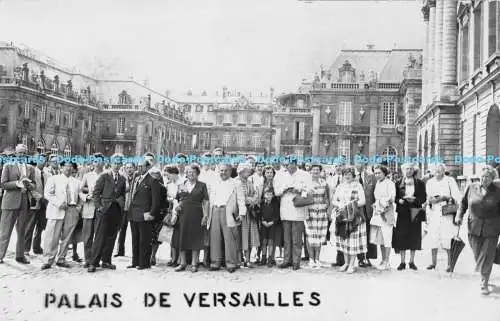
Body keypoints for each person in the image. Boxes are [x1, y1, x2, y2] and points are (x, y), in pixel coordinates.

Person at [456, 165, 500, 295]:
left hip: (492, 228)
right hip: (473, 227)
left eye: (487, 177)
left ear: (493, 178)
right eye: (482, 176)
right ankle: (484, 274)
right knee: (478, 255)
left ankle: (484, 282)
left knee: (487, 255)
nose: (484, 179)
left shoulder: (498, 190)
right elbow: (463, 204)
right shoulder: (471, 187)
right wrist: (459, 216)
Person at [88, 153, 126, 272]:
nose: (117, 165)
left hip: (115, 210)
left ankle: (106, 261)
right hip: (104, 210)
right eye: (115, 162)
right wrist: (99, 207)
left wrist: (120, 203)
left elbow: (122, 194)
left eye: (119, 162)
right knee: (100, 236)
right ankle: (93, 263)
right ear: (111, 162)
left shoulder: (122, 178)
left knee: (111, 237)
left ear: (121, 164)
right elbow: (96, 193)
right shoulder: (104, 175)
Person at [40, 161, 82, 269]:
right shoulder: (54, 179)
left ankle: (61, 259)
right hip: (56, 210)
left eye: (70, 166)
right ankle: (48, 260)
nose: (68, 168)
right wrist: (59, 203)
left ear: (73, 169)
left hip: (72, 210)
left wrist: (78, 208)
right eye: (66, 166)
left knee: (67, 237)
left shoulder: (77, 182)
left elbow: (80, 196)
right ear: (61, 167)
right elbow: (48, 194)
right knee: (52, 236)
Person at [274, 158, 313, 270]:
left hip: (298, 208)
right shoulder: (281, 175)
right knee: (287, 238)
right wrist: (285, 189)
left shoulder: (304, 175)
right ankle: (287, 260)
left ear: (296, 164)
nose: (288, 167)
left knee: (296, 238)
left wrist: (299, 190)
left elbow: (310, 190)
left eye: (291, 164)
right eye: (286, 164)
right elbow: (277, 191)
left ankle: (296, 261)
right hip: (286, 208)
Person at [207, 163, 246, 273]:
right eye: (221, 170)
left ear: (230, 171)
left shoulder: (236, 183)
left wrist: (242, 213)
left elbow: (241, 200)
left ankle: (231, 263)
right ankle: (215, 262)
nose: (223, 173)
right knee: (215, 238)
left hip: (228, 212)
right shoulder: (214, 182)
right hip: (215, 211)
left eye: (225, 170)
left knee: (229, 239)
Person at [0, 144, 35, 264]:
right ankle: (0, 255)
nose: (22, 155)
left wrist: (28, 185)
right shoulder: (8, 165)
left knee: (22, 231)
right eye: (20, 152)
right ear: (15, 153)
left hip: (24, 203)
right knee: (5, 231)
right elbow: (3, 184)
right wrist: (17, 184)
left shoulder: (30, 168)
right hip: (10, 203)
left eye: (24, 153)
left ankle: (20, 256)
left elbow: (34, 184)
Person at [423, 163, 462, 272]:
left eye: (440, 170)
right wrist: (430, 201)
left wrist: (444, 197)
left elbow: (457, 196)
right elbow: (428, 197)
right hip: (434, 212)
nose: (437, 172)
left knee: (447, 238)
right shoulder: (430, 182)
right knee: (433, 237)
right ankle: (433, 262)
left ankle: (449, 264)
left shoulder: (450, 180)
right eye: (435, 171)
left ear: (444, 170)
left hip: (446, 212)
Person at [173, 164, 209, 273]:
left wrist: (206, 215)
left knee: (195, 239)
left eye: (193, 172)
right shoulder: (181, 185)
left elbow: (206, 201)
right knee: (182, 238)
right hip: (183, 215)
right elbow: (176, 199)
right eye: (188, 172)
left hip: (197, 215)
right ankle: (182, 263)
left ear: (197, 173)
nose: (190, 174)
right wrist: (176, 207)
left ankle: (194, 263)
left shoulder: (202, 185)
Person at [128, 159, 162, 270]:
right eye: (138, 166)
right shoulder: (136, 178)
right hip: (134, 214)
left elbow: (156, 200)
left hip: (145, 214)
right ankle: (135, 262)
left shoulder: (152, 180)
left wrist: (152, 213)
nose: (140, 168)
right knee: (135, 239)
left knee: (144, 240)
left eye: (142, 166)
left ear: (147, 167)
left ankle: (144, 263)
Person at [331, 166, 366, 274]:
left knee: (353, 242)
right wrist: (339, 204)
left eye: (349, 175)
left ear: (353, 176)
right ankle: (346, 263)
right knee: (344, 240)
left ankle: (351, 265)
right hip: (342, 216)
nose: (347, 176)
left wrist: (350, 205)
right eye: (345, 174)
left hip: (354, 217)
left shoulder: (358, 186)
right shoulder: (340, 186)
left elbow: (363, 201)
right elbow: (334, 200)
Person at [393, 163, 427, 270]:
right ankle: (402, 262)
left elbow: (423, 198)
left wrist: (415, 200)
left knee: (415, 236)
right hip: (402, 212)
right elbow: (395, 197)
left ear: (414, 170)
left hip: (415, 210)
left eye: (411, 169)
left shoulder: (420, 183)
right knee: (401, 236)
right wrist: (399, 201)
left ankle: (412, 262)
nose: (409, 171)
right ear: (403, 170)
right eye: (407, 169)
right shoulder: (398, 182)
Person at [79, 154, 104, 267]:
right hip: (89, 207)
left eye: (99, 161)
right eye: (95, 162)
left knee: (99, 235)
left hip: (101, 209)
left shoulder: (106, 175)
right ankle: (88, 259)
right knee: (87, 235)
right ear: (92, 163)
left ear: (103, 162)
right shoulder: (87, 175)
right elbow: (80, 190)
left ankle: (96, 259)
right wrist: (86, 196)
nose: (97, 164)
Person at [305, 164, 330, 268]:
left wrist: (324, 206)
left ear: (320, 172)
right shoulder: (306, 183)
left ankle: (317, 259)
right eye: (313, 170)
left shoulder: (324, 183)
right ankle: (311, 259)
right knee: (310, 235)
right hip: (310, 212)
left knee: (320, 236)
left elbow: (327, 198)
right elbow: (303, 197)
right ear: (310, 171)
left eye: (317, 170)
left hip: (321, 213)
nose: (315, 172)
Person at [237, 162, 260, 268]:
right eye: (247, 171)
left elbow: (255, 194)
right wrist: (250, 199)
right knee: (240, 236)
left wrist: (253, 199)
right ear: (241, 171)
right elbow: (240, 197)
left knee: (249, 236)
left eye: (250, 171)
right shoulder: (235, 182)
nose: (249, 173)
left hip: (250, 213)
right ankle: (239, 258)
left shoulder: (249, 182)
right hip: (239, 213)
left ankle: (248, 258)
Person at [24, 155, 47, 256]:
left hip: (44, 204)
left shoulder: (46, 173)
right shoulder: (32, 171)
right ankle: (25, 249)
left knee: (40, 226)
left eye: (44, 161)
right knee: (30, 226)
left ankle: (36, 247)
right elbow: (30, 187)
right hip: (34, 202)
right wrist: (39, 198)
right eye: (41, 160)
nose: (43, 162)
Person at [355, 162, 377, 267]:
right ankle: (360, 258)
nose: (359, 164)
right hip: (356, 210)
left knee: (368, 233)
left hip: (369, 209)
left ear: (364, 164)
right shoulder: (351, 176)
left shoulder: (371, 176)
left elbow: (376, 192)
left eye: (361, 161)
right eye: (357, 161)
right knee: (358, 234)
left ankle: (368, 257)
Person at [115, 162, 136, 257]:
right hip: (124, 208)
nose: (129, 169)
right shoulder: (123, 179)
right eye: (127, 168)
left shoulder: (137, 178)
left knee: (134, 231)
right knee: (121, 229)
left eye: (131, 167)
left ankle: (135, 253)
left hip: (134, 208)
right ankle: (120, 251)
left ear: (134, 168)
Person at [259, 185, 280, 267]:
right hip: (264, 225)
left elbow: (277, 215)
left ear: (273, 195)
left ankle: (270, 259)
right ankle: (263, 258)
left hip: (272, 225)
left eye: (270, 194)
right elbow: (259, 214)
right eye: (267, 194)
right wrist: (262, 221)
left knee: (271, 242)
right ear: (264, 195)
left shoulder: (275, 204)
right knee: (264, 242)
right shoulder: (262, 203)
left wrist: (272, 222)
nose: (269, 196)